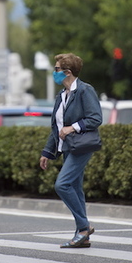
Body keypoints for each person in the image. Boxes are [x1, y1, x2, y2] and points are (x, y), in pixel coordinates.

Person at [40, 53, 103, 248]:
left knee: (62, 185)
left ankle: (84, 226)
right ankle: (82, 236)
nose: (54, 72)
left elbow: (95, 118)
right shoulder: (61, 96)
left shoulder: (85, 90)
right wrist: (47, 152)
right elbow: (57, 127)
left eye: (57, 69)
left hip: (81, 146)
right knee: (75, 188)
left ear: (67, 72)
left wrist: (72, 127)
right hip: (67, 147)